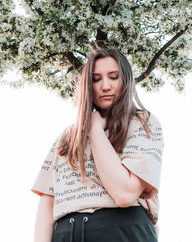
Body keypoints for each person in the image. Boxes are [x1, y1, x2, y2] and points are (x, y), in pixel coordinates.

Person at [32, 44, 164, 242]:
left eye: (113, 77)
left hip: (122, 230)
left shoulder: (142, 123)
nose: (105, 86)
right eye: (96, 79)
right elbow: (48, 201)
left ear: (125, 80)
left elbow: (124, 194)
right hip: (67, 233)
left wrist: (95, 131)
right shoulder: (67, 136)